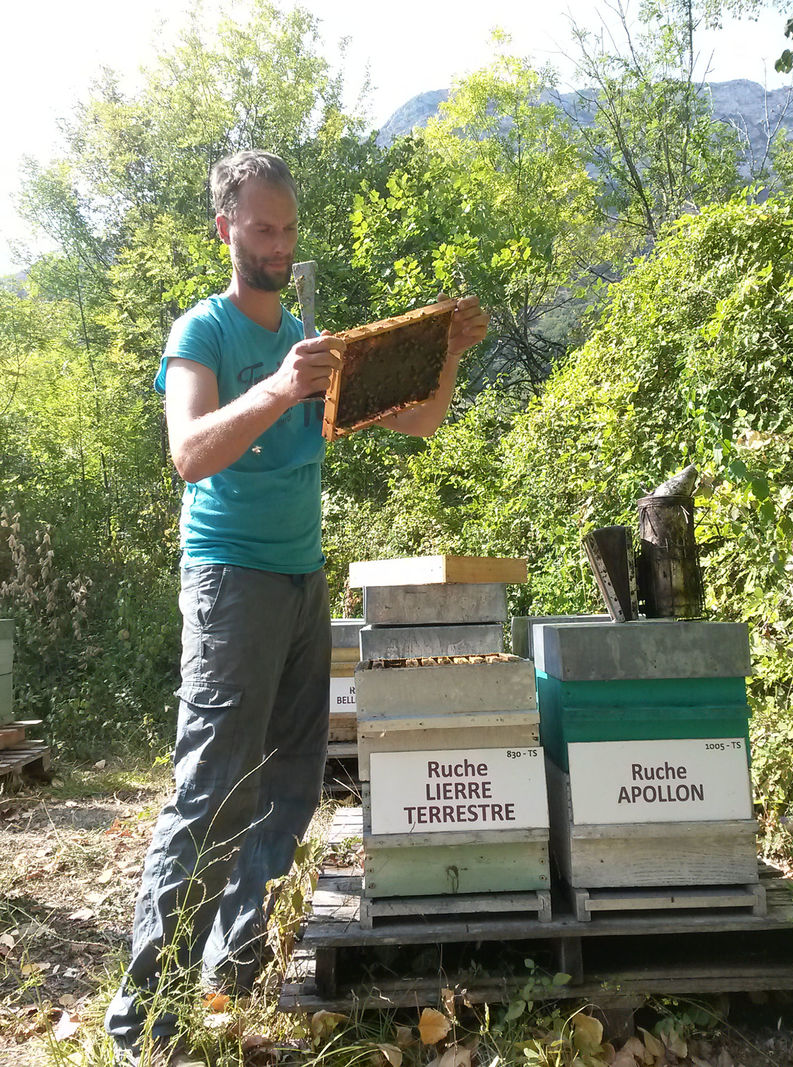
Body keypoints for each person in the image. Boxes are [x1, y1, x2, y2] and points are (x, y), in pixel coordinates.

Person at [105, 149, 489, 1066]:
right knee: (211, 787)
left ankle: (227, 975)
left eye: (286, 228)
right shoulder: (202, 332)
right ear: (226, 228)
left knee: (291, 784)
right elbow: (191, 451)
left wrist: (444, 355)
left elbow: (421, 423)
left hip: (303, 578)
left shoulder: (314, 335)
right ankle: (143, 1019)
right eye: (261, 227)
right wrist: (280, 385)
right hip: (230, 580)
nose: (277, 244)